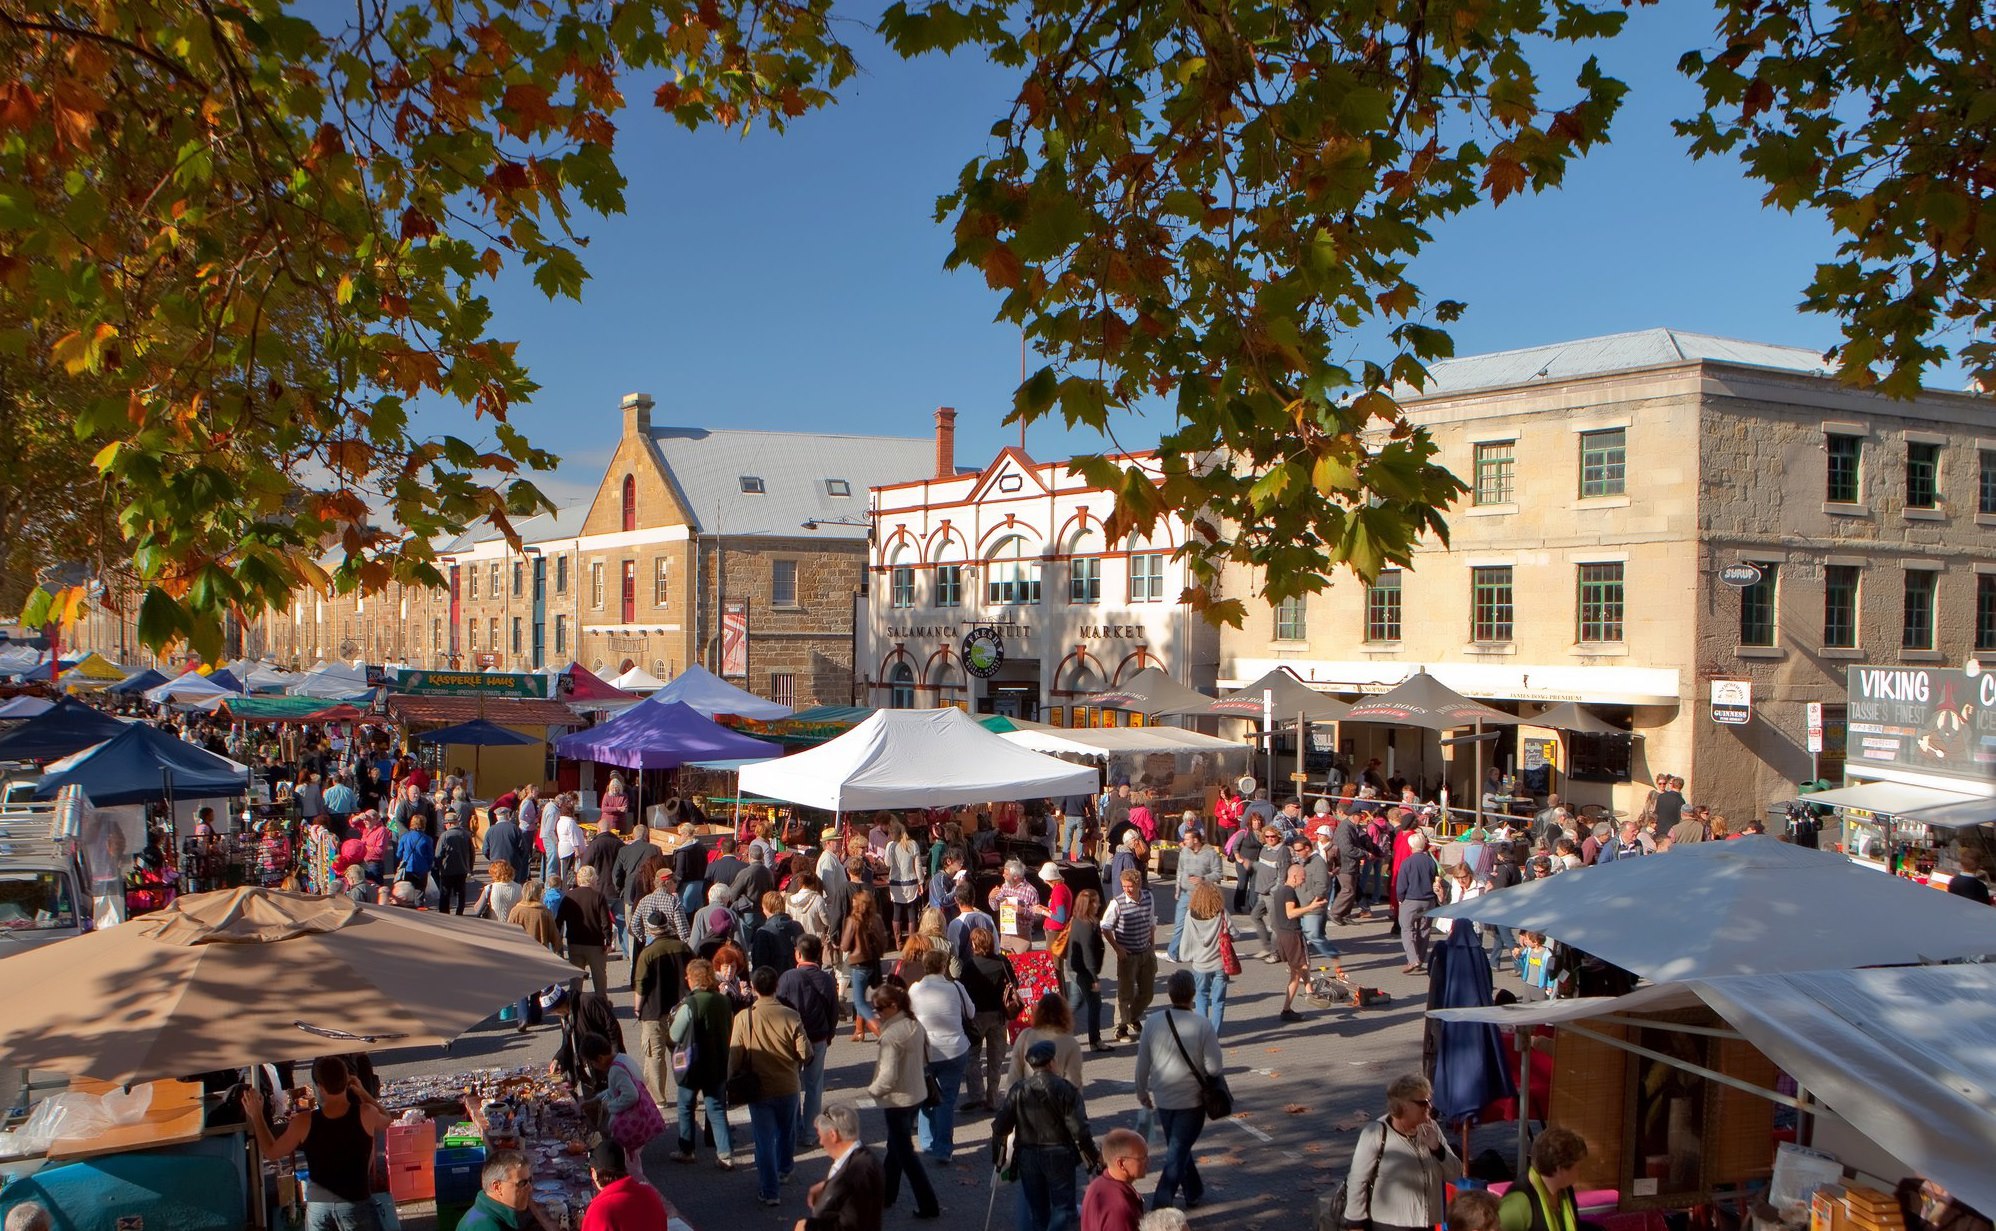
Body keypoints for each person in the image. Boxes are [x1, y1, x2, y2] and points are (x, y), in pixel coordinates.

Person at [241, 1055, 393, 1231]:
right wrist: (362, 1092)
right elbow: (387, 1119)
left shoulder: (304, 1121)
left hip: (319, 1206)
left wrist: (257, 1115)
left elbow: (271, 1152)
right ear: (348, 1080)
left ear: (319, 1087)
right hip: (356, 1202)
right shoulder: (366, 1112)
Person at [1133, 971, 1223, 1211]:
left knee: (1178, 1146)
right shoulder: (1202, 1024)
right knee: (1177, 1151)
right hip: (1191, 1101)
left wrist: (1141, 1091)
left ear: (1169, 992)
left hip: (1163, 1097)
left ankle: (1194, 1190)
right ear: (1193, 993)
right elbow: (1214, 1067)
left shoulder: (1153, 1021)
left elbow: (1142, 1061)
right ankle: (1161, 1205)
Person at [993, 1039, 1102, 1231]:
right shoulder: (1066, 1089)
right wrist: (1094, 1158)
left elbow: (1001, 1126)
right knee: (1063, 1208)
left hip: (1028, 1155)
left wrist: (998, 1157)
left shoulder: (1019, 1090)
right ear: (1052, 1062)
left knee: (1038, 1211)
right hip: (1059, 1155)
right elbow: (1080, 1130)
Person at [730, 964, 814, 1205]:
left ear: (753, 988)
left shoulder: (744, 1018)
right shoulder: (791, 1015)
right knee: (787, 1131)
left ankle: (769, 1190)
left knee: (763, 1139)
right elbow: (804, 1053)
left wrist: (730, 1079)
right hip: (788, 1084)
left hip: (758, 1087)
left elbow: (735, 1055)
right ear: (777, 987)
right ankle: (785, 1169)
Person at [1342, 1074, 1464, 1231]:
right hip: (1390, 1225)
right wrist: (1356, 1224)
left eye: (1429, 1102)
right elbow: (1357, 1181)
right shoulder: (1376, 1133)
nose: (1429, 1107)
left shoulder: (1431, 1128)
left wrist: (1437, 1148)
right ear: (1404, 1105)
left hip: (1428, 1224)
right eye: (1423, 1103)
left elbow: (1455, 1174)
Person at [864, 983, 941, 1219]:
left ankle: (928, 1204)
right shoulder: (914, 1024)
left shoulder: (892, 1035)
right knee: (896, 1148)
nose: (877, 1013)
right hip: (916, 1093)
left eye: (879, 1009)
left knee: (905, 1153)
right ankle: (887, 1194)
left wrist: (872, 1091)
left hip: (897, 1100)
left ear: (893, 1006)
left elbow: (887, 1076)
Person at [908, 948, 975, 1165]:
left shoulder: (915, 990)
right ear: (943, 966)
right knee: (946, 1101)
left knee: (926, 1098)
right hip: (955, 1049)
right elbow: (971, 1013)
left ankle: (927, 1142)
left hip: (925, 1053)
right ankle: (943, 1148)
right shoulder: (956, 987)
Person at [670, 958, 737, 1168]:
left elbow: (674, 1034)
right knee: (716, 1108)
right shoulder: (724, 1001)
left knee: (686, 1106)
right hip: (718, 1061)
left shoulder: (690, 1004)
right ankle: (725, 1154)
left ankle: (687, 1149)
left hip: (692, 1065)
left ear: (692, 979)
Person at [778, 933, 841, 1140]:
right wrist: (830, 1034)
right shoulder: (826, 979)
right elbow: (833, 1010)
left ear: (798, 954)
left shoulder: (788, 977)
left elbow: (779, 1009)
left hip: (792, 1039)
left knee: (792, 1083)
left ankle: (793, 1127)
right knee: (814, 1086)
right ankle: (810, 1133)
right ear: (819, 954)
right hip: (818, 1036)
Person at [579, 1033, 658, 1185]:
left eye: (592, 1063)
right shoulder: (623, 1059)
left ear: (600, 1058)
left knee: (629, 1165)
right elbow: (614, 1090)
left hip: (631, 1125)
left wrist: (610, 1106)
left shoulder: (616, 1070)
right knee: (632, 1161)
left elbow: (631, 1096)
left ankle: (636, 1192)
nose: (593, 1067)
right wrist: (596, 1100)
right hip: (638, 1122)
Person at [633, 908, 692, 1106]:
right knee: (680, 1052)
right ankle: (686, 1090)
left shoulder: (647, 954)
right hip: (681, 1010)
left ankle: (658, 1098)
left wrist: (637, 1009)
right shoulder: (683, 947)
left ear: (651, 931)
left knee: (655, 1056)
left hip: (653, 1011)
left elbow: (640, 986)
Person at [797, 1105, 884, 1231]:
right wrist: (827, 1185)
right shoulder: (860, 1159)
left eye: (820, 1136)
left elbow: (853, 1225)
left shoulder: (859, 1172)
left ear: (833, 1135)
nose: (820, 1142)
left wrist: (808, 1226)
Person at [958, 926, 1016, 1112]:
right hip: (999, 1015)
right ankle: (992, 1097)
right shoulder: (1002, 961)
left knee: (972, 1055)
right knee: (995, 1058)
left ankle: (977, 1095)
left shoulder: (970, 966)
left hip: (977, 1016)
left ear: (975, 944)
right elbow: (1014, 983)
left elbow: (963, 991)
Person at [1494, 1127, 1588, 1231]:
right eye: (1578, 1168)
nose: (1581, 1172)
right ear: (1560, 1169)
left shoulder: (1564, 1190)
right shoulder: (1518, 1205)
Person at [1101, 868, 1157, 1042]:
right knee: (1124, 993)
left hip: (1145, 951)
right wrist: (1117, 948)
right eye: (1124, 886)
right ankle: (1120, 1027)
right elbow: (1105, 926)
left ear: (1138, 884)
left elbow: (1151, 921)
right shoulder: (1117, 903)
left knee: (1147, 993)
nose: (1127, 889)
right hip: (1128, 955)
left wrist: (1152, 944)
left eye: (1130, 886)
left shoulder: (1148, 897)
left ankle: (1133, 1016)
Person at [547, 981, 626, 1102]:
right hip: (585, 1072)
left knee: (612, 1105)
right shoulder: (565, 1016)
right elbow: (567, 1042)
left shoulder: (589, 1001)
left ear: (561, 1004)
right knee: (593, 1106)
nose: (554, 1014)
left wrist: (614, 1059)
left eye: (555, 1011)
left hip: (603, 1065)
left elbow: (612, 1029)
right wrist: (558, 1058)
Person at [1265, 862, 1319, 1022]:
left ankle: (1294, 1004)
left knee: (1297, 970)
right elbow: (1290, 913)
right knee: (1300, 969)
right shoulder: (1289, 892)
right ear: (1294, 876)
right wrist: (1311, 907)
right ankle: (1305, 997)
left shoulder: (1280, 890)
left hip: (1283, 934)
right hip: (1291, 935)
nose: (1303, 881)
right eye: (1302, 877)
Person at [1175, 881, 1230, 1031]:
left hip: (1200, 964)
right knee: (1219, 1002)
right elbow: (1235, 933)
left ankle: (1202, 1034)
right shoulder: (1222, 913)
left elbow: (1186, 938)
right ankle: (1215, 1035)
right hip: (1220, 964)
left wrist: (1184, 955)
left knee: (1201, 997)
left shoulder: (1190, 915)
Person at [456, 1150, 557, 1231]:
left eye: (530, 1180)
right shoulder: (484, 1227)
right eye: (522, 1183)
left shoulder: (493, 1214)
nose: (530, 1188)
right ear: (497, 1187)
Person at [557, 865, 616, 998]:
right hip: (595, 944)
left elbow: (559, 919)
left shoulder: (569, 896)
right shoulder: (598, 897)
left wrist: (558, 939)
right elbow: (605, 922)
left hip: (574, 942)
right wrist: (608, 940)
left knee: (575, 980)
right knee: (599, 978)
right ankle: (601, 1005)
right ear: (593, 879)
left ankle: (574, 1007)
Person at [1063, 888, 1110, 1051]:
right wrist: (1094, 979)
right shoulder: (1086, 925)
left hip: (1074, 967)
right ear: (1088, 905)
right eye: (1095, 901)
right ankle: (1095, 1041)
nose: (1098, 904)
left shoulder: (1078, 920)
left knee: (1076, 1000)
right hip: (1083, 970)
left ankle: (1055, 1029)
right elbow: (1088, 953)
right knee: (1095, 1004)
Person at [841, 888, 891, 1042]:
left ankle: (881, 1032)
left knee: (859, 1002)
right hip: (874, 963)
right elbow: (884, 941)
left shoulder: (853, 920)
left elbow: (844, 946)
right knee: (862, 997)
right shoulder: (876, 918)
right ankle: (859, 1030)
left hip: (858, 964)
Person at [1167, 828, 1222, 963]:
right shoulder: (1184, 852)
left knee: (1202, 926)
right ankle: (1173, 953)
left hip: (1203, 895)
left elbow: (1218, 873)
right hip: (1185, 893)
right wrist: (1177, 888)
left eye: (1187, 839)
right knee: (1180, 924)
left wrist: (1202, 879)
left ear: (1195, 840)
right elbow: (1180, 870)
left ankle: (1206, 953)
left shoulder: (1210, 853)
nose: (1184, 841)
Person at [1081, 1128, 1149, 1231]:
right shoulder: (1118, 1208)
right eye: (1142, 1157)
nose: (1148, 1160)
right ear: (1121, 1163)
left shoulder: (1097, 1185)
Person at [1395, 832, 1441, 974]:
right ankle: (1420, 959)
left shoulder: (1407, 862)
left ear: (1411, 846)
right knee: (1424, 930)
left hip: (1411, 900)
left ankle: (1413, 959)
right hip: (1428, 900)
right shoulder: (1430, 861)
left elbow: (1401, 885)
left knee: (1407, 929)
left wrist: (1400, 898)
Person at [990, 859, 1042, 954]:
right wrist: (992, 898)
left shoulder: (1030, 891)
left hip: (1022, 935)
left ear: (1015, 877)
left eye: (1006, 874)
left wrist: (1023, 910)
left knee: (1021, 965)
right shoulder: (1005, 887)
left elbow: (1038, 915)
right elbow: (995, 907)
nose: (1003, 876)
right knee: (1006, 964)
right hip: (1006, 934)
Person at [483, 807, 535, 890]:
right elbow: (523, 848)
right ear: (508, 816)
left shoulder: (491, 830)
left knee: (497, 887)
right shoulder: (515, 829)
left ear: (497, 817)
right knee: (513, 888)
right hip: (513, 864)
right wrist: (519, 859)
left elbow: (485, 850)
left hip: (496, 864)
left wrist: (492, 859)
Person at [434, 812, 475, 915]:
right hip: (462, 869)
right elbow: (472, 853)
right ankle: (459, 912)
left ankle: (444, 913)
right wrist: (469, 868)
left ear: (449, 824)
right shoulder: (465, 834)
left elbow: (438, 854)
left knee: (445, 893)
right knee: (460, 892)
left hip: (447, 870)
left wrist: (438, 867)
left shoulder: (444, 836)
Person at [394, 814, 435, 900]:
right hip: (422, 869)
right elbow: (430, 856)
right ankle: (418, 908)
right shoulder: (427, 839)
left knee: (408, 893)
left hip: (407, 869)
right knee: (419, 892)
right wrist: (429, 867)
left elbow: (398, 854)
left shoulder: (405, 837)